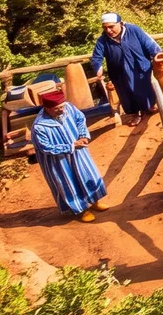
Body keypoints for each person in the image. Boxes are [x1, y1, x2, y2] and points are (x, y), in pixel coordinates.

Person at [31, 88, 110, 222]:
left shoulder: (69, 108)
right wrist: (72, 146)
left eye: (62, 107)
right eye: (57, 109)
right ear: (47, 109)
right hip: (58, 161)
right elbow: (45, 148)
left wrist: (83, 135)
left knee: (88, 175)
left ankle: (94, 202)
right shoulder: (39, 126)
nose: (62, 110)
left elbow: (80, 119)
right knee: (69, 183)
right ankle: (82, 210)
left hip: (79, 153)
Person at [88, 12, 162, 125]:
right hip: (118, 73)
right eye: (105, 28)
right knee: (127, 94)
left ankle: (149, 107)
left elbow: (149, 43)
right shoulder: (102, 40)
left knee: (144, 88)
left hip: (139, 67)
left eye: (111, 26)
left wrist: (157, 54)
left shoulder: (134, 30)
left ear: (121, 23)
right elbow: (97, 57)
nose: (108, 30)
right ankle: (135, 114)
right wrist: (98, 67)